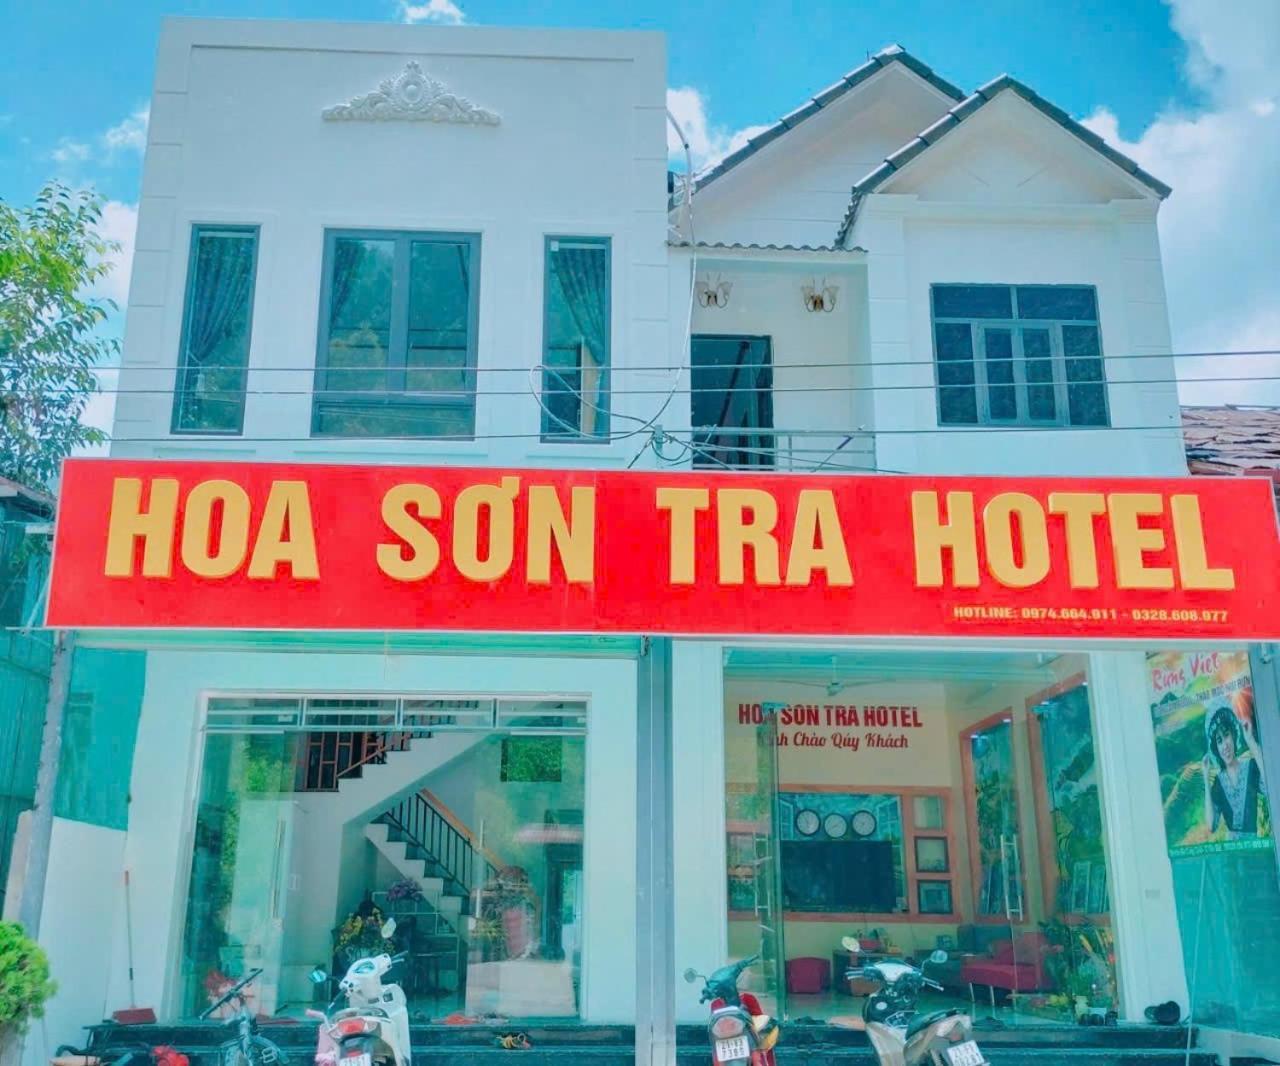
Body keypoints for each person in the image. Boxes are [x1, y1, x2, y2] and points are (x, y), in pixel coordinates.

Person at [1202, 704, 1267, 838]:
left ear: (1233, 734)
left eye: (1226, 735)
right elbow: (1211, 825)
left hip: (1255, 847)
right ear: (1216, 748)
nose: (1225, 746)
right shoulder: (1218, 783)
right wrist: (1205, 778)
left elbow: (1269, 787)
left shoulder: (1251, 767)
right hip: (1232, 850)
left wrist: (1251, 741)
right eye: (1219, 741)